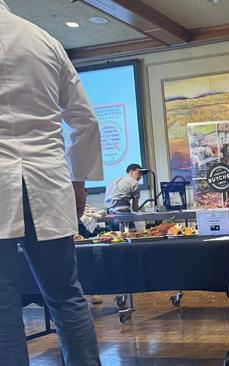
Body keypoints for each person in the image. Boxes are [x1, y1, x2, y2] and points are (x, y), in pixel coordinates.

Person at [0, 1, 104, 365]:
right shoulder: (43, 39)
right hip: (48, 183)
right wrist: (79, 181)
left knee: (2, 306)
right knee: (66, 295)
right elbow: (85, 120)